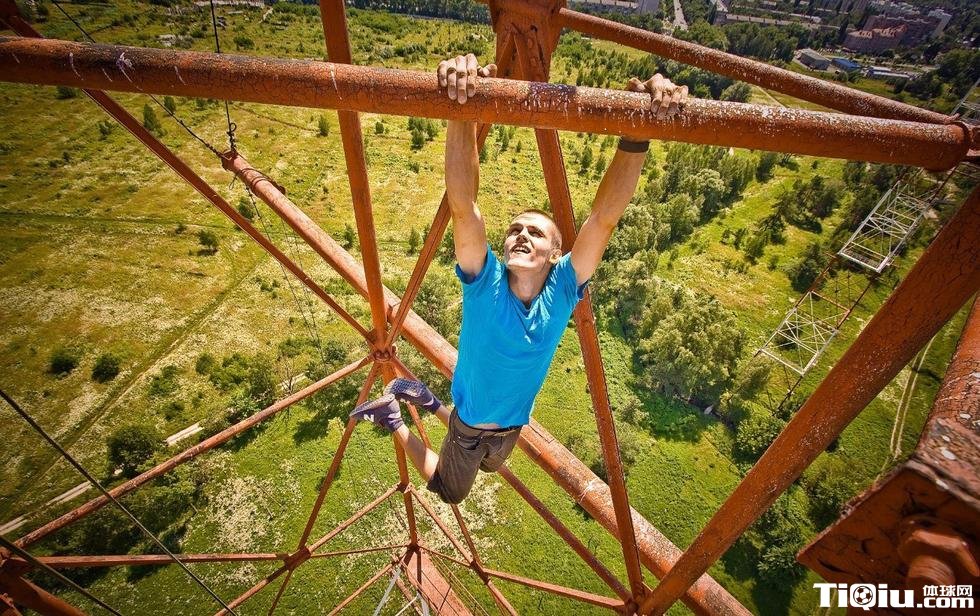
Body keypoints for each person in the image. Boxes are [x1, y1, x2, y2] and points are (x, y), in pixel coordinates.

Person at [351, 53, 688, 504]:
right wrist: (461, 106)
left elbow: (603, 220)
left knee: (490, 464)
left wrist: (637, 135)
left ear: (556, 253)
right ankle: (394, 417)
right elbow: (463, 205)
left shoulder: (563, 289)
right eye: (515, 229)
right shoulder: (484, 283)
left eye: (536, 232)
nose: (521, 235)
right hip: (470, 428)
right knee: (450, 490)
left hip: (511, 429)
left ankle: (429, 403)